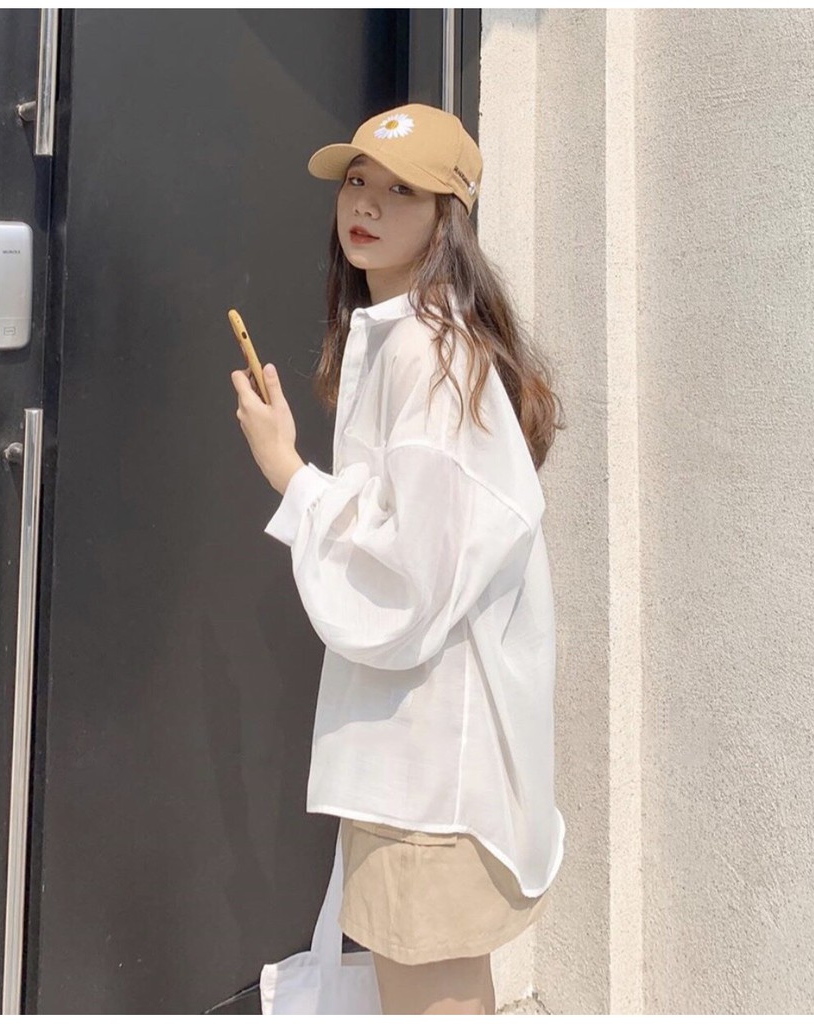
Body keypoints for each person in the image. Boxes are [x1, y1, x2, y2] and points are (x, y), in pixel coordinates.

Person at [231, 102, 567, 1015]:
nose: (366, 204)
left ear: (448, 217)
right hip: (423, 761)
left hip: (431, 770)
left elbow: (410, 582)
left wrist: (289, 473)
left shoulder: (426, 353)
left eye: (401, 190)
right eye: (356, 180)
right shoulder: (407, 341)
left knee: (430, 999)